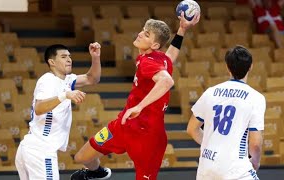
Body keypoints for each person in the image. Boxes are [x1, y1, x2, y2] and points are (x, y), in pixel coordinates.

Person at [70, 13, 200, 180]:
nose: (140, 34)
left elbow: (167, 81)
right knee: (82, 157)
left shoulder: (148, 62)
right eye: (143, 30)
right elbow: (171, 55)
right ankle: (96, 172)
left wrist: (140, 106)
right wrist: (182, 29)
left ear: (154, 44)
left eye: (146, 34)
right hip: (123, 125)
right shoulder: (158, 58)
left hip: (148, 136)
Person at [15, 43, 102, 180]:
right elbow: (39, 108)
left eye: (69, 56)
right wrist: (65, 95)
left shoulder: (67, 80)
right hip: (40, 149)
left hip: (32, 148)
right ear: (52, 62)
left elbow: (92, 78)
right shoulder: (47, 80)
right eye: (63, 56)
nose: (69, 59)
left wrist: (95, 58)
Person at [187, 45, 266, 180]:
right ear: (250, 67)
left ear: (227, 67)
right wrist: (255, 162)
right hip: (235, 168)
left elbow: (191, 129)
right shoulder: (256, 97)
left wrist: (212, 145)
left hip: (207, 166)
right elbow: (255, 143)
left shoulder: (210, 92)